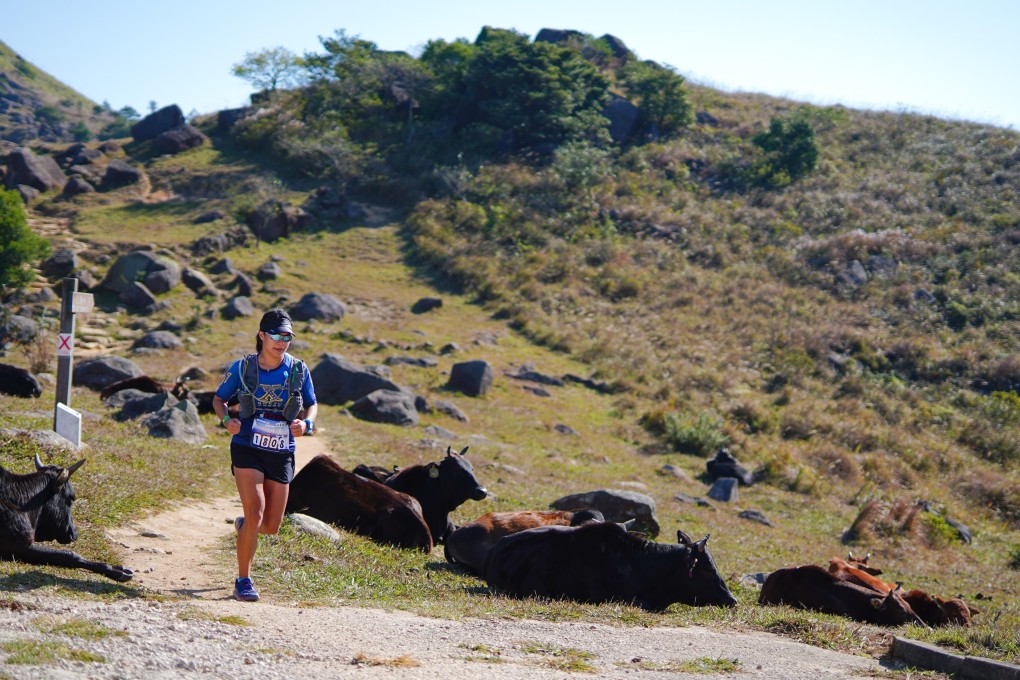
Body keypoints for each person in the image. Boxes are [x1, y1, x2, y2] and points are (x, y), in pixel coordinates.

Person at [212, 308, 317, 602]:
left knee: (270, 526)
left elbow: (312, 404)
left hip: (281, 450)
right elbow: (219, 399)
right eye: (276, 335)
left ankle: (245, 527)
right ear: (262, 336)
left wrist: (306, 423)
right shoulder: (243, 368)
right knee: (255, 511)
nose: (281, 341)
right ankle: (243, 580)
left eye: (287, 337)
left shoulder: (298, 369)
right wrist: (226, 421)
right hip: (247, 445)